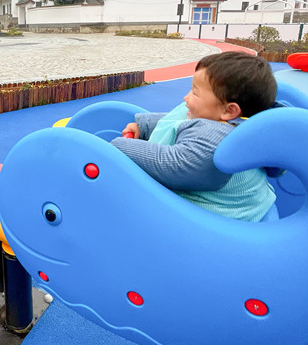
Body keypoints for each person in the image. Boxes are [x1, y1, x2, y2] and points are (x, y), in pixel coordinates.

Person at [110, 52, 278, 222]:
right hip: (261, 207)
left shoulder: (217, 142)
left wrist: (118, 146)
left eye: (195, 93)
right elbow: (180, 119)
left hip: (221, 223)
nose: (186, 97)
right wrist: (144, 125)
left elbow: (173, 165)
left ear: (229, 110)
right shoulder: (236, 121)